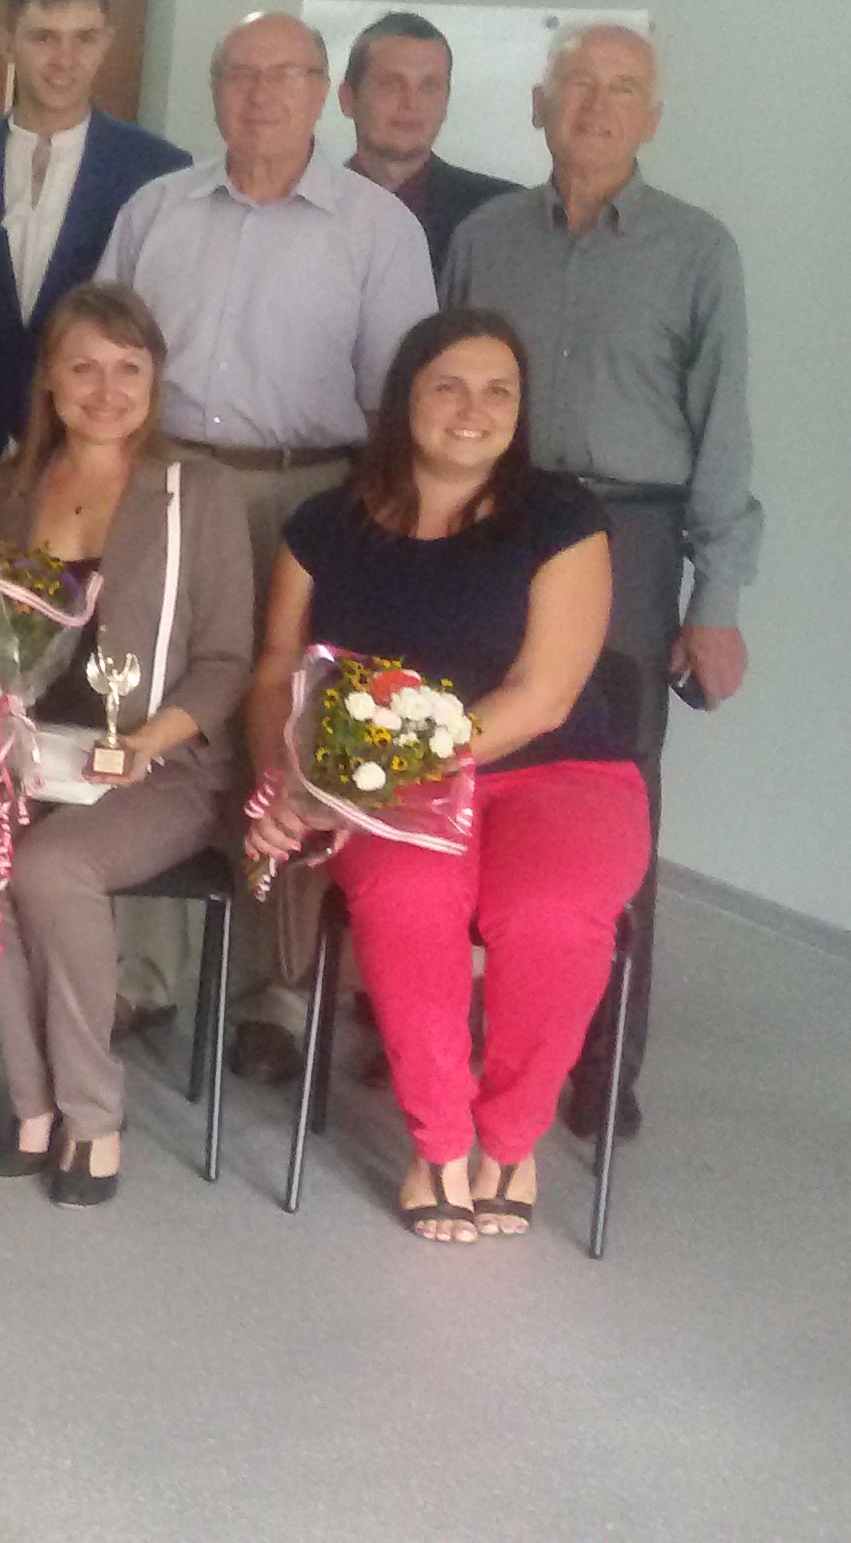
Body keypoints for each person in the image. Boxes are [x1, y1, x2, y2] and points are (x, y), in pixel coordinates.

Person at [245, 310, 646, 1241]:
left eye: (499, 390)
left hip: (561, 773)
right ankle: (439, 1143)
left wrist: (373, 775)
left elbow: (543, 695)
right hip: (390, 790)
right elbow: (275, 671)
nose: (474, 409)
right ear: (405, 400)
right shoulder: (325, 524)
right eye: (449, 387)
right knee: (408, 902)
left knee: (548, 913)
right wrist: (285, 779)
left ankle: (510, 1140)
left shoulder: (562, 518)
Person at [97, 10, 436, 1081]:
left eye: (284, 74)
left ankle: (272, 993)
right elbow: (101, 353)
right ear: (214, 89)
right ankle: (140, 970)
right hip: (170, 484)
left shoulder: (378, 228)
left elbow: (401, 403)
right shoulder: (156, 210)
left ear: (323, 89)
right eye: (240, 73)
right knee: (153, 711)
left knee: (289, 728)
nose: (260, 94)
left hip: (313, 489)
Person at [443, 22, 756, 1141]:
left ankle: (601, 1065)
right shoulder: (482, 238)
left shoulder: (697, 249)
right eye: (577, 83)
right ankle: (447, 1034)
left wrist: (715, 602)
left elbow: (725, 432)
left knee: (609, 796)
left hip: (632, 536)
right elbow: (441, 389)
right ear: (540, 104)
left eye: (623, 89)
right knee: (466, 760)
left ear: (652, 118)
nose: (597, 105)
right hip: (497, 524)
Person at [0, 284, 252, 1205]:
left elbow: (227, 660)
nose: (106, 391)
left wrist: (149, 741)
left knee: (52, 870)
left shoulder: (199, 492)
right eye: (83, 367)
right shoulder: (9, 490)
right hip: (30, 754)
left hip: (157, 764)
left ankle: (92, 1113)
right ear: (50, 379)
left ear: (155, 379)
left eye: (128, 368)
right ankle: (31, 1101)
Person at [0, 0, 192, 475]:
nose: (64, 59)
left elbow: (161, 322)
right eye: (44, 37)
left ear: (107, 43)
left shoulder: (158, 174)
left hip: (93, 449)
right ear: (7, 43)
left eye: (84, 38)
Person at [340, 10, 516, 275]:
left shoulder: (502, 216)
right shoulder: (303, 209)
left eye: (428, 86)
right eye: (391, 84)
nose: (410, 103)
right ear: (348, 99)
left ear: (446, 104)